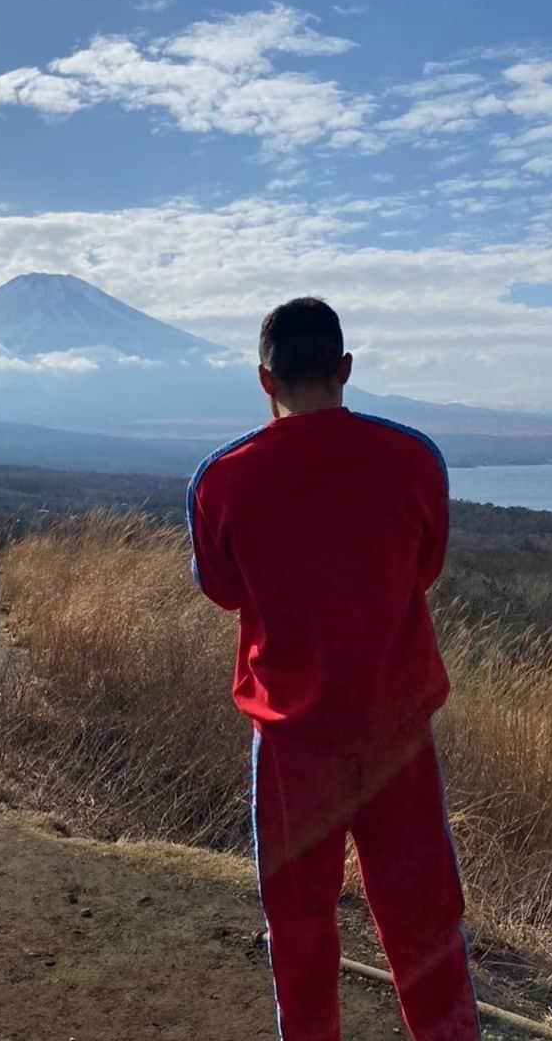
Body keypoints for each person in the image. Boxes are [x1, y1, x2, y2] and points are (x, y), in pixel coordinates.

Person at [187, 298, 480, 1040]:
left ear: (264, 379)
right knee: (425, 926)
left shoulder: (222, 480)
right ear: (345, 369)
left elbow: (221, 591)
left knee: (301, 931)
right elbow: (425, 568)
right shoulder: (415, 459)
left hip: (291, 744)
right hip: (398, 734)